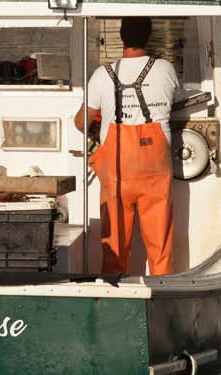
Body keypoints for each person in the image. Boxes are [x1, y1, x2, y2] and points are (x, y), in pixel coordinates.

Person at [74, 17, 179, 276]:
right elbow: (174, 99)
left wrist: (99, 124)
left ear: (121, 36)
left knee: (115, 240)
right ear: (149, 35)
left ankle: (114, 288)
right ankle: (162, 289)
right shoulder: (166, 69)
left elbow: (80, 122)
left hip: (118, 169)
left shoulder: (102, 74)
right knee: (160, 241)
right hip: (155, 165)